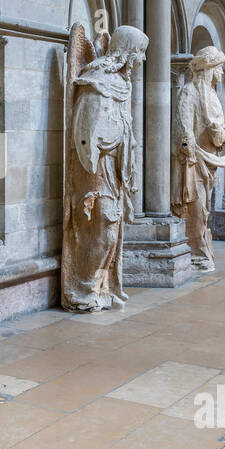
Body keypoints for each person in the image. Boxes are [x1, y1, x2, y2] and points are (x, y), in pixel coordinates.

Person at [62, 24, 149, 311]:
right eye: (139, 53)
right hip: (96, 171)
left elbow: (125, 130)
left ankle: (100, 285)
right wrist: (106, 149)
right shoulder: (97, 81)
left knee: (113, 233)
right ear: (126, 51)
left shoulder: (123, 85)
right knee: (104, 232)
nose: (142, 60)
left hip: (116, 170)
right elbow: (84, 132)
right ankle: (81, 287)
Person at [171, 46, 225, 271]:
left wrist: (221, 133)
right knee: (194, 206)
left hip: (210, 161)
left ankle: (200, 247)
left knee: (204, 208)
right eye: (220, 67)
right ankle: (195, 250)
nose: (222, 73)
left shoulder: (212, 95)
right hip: (193, 162)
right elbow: (182, 126)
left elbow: (218, 129)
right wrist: (189, 147)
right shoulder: (189, 91)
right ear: (210, 68)